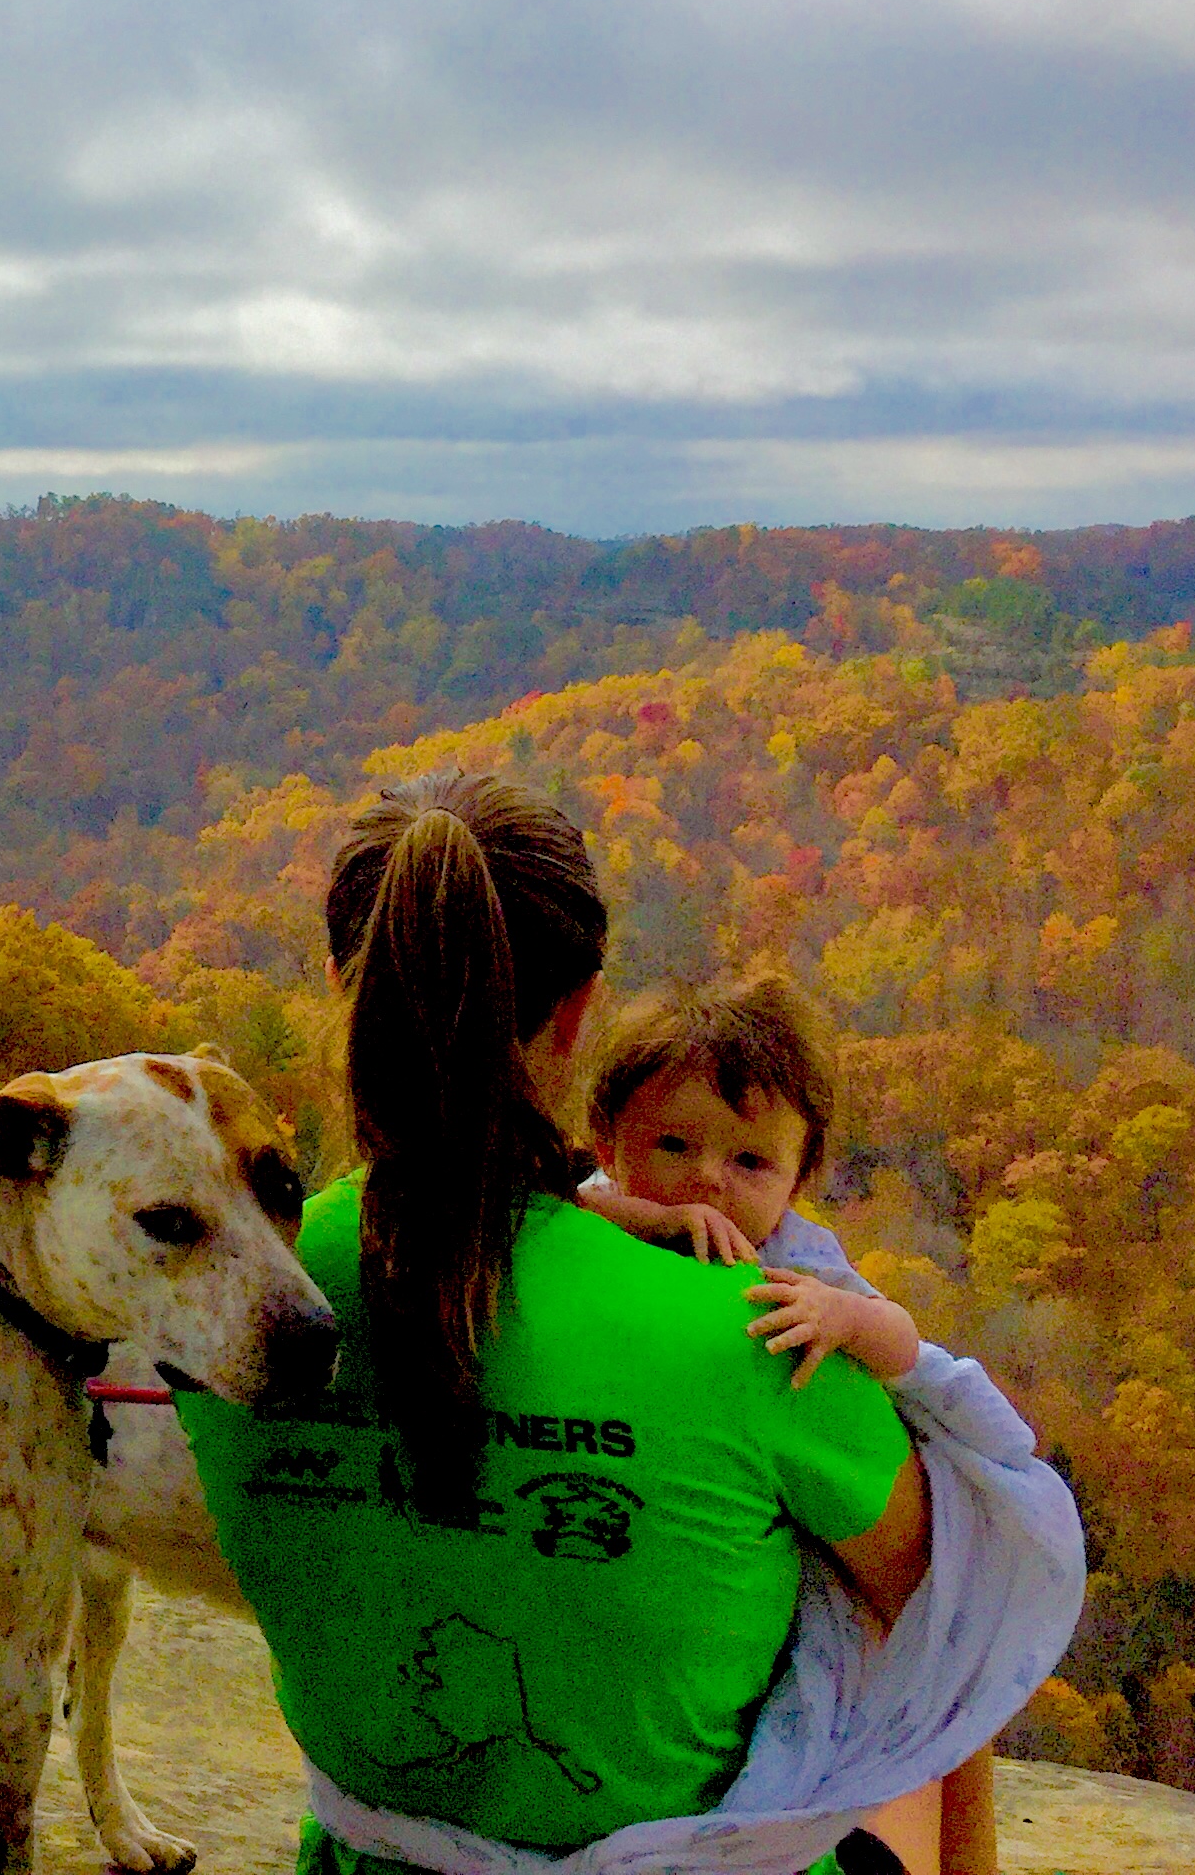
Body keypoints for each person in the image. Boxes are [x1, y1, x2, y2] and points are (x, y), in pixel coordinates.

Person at [177, 772, 934, 1875]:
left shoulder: (234, 1296)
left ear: (349, 984)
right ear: (579, 1017)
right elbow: (935, 1609)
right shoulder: (755, 1329)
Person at [578, 976, 999, 1875]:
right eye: (673, 1145)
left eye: (750, 1163)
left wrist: (838, 1320)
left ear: (801, 1178)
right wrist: (657, 1218)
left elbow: (900, 1341)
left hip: (808, 1544)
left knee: (860, 1682)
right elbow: (573, 1202)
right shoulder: (604, 1222)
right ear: (610, 1143)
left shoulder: (798, 1263)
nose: (708, 1181)